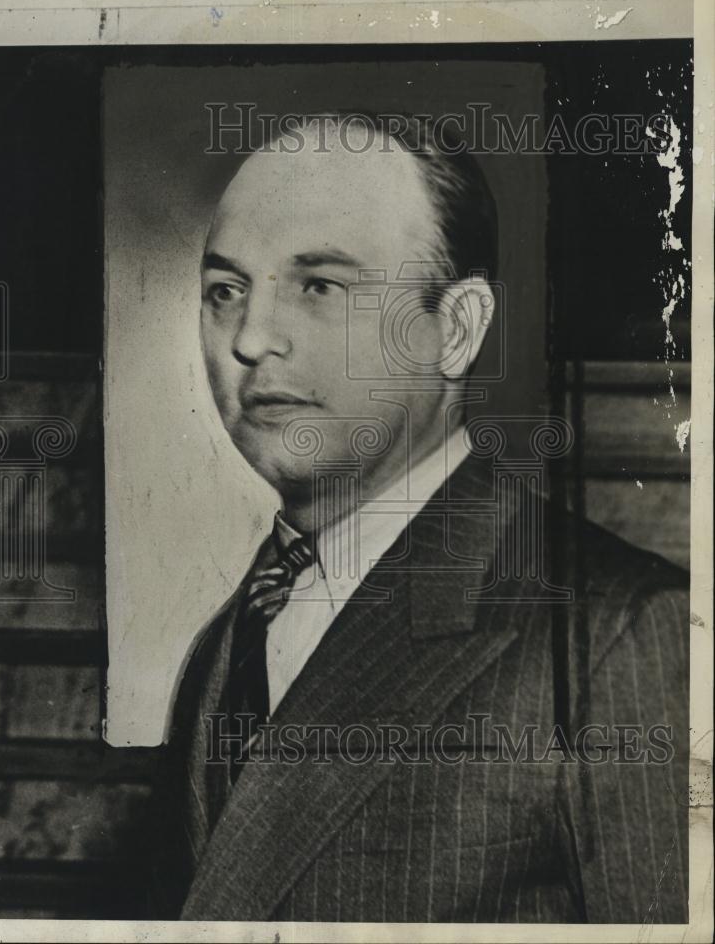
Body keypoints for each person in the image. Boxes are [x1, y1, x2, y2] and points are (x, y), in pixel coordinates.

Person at [150, 112, 688, 923]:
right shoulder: (226, 641)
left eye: (319, 285)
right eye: (227, 292)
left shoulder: (617, 637)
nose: (251, 339)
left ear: (459, 327)